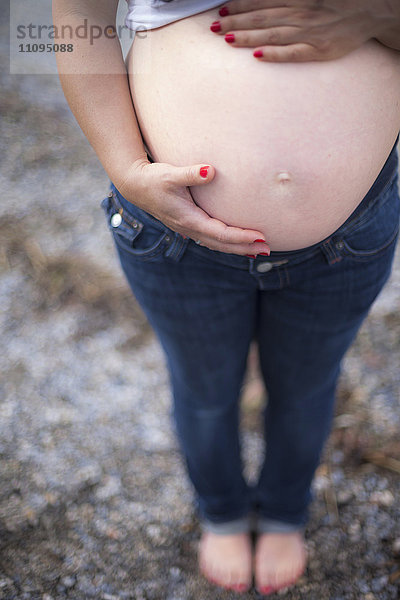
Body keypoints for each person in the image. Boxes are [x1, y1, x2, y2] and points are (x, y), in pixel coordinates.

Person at [53, 0, 400, 595]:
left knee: (308, 385)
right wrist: (124, 164)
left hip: (346, 239)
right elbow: (75, 19)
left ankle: (286, 512)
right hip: (171, 238)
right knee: (204, 389)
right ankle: (222, 511)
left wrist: (381, 15)